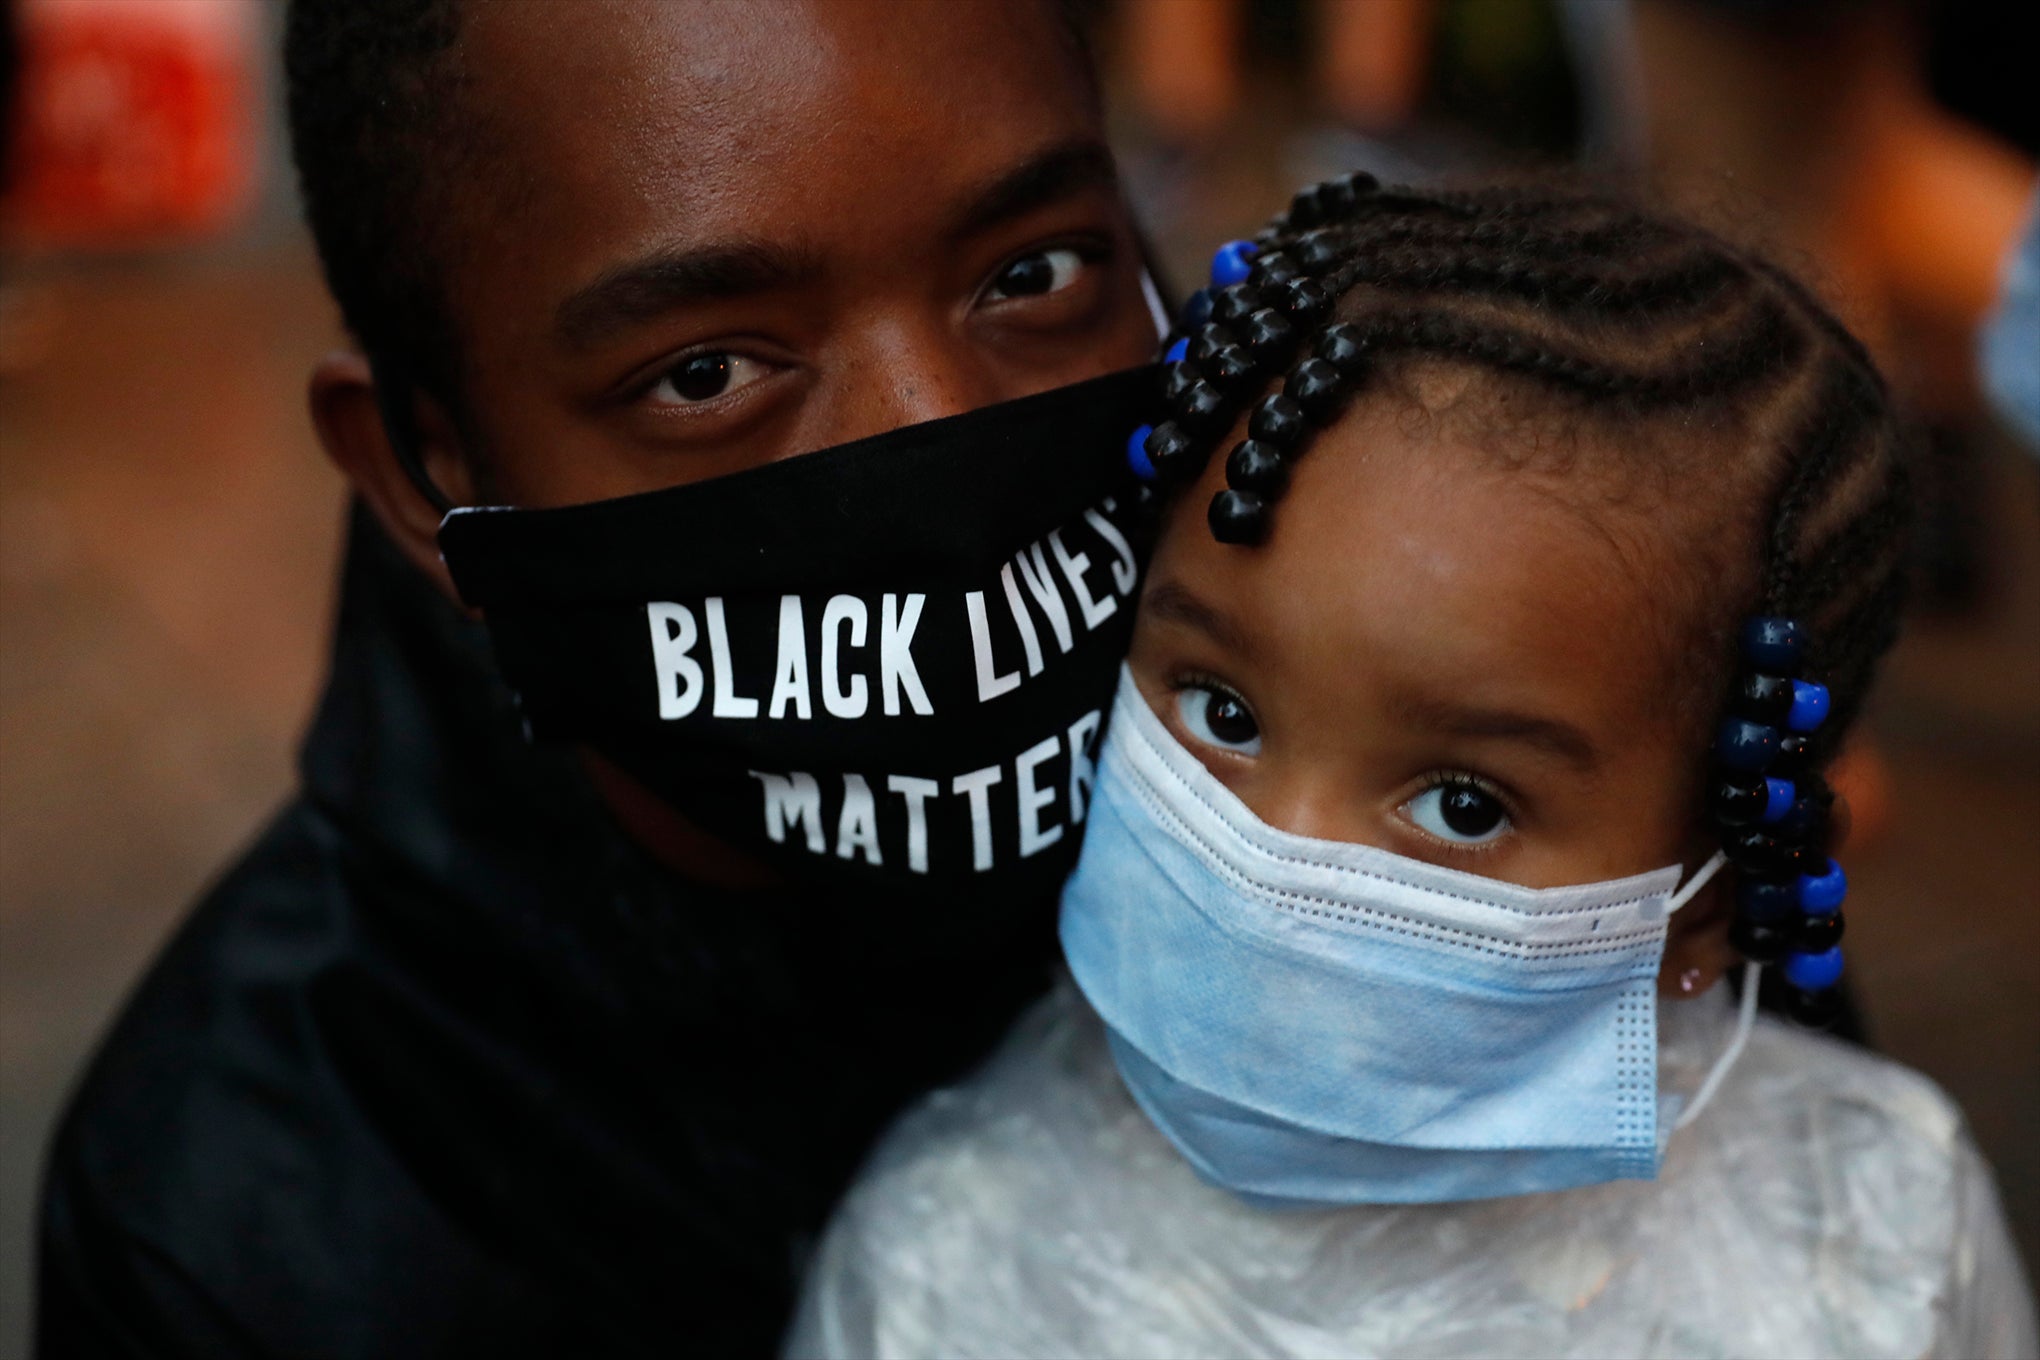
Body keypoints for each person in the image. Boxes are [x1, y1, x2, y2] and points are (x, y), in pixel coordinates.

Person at [36, 1, 1169, 1353]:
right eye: (706, 372)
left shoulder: (1335, 803)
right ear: (421, 471)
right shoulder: (245, 1237)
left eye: (1033, 274)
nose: (936, 435)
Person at [787, 177, 2040, 1358]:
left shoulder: (1872, 1242)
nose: (1273, 858)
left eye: (1462, 803)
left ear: (1702, 895)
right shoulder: (950, 1249)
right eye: (1221, 709)